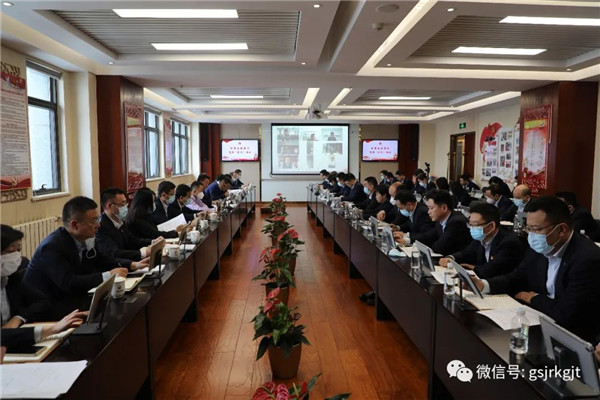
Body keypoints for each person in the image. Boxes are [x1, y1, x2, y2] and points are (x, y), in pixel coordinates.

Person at [469, 196, 600, 343]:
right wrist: (484, 285)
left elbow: (568, 313)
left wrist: (533, 298)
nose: (531, 235)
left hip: (572, 336)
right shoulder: (541, 248)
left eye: (536, 229)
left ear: (562, 229)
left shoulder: (587, 258)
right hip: (540, 320)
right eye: (528, 228)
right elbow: (518, 277)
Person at [24, 197, 130, 318]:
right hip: (49, 307)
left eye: (98, 219)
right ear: (74, 225)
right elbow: (68, 283)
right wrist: (107, 276)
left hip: (72, 299)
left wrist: (131, 265)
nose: (98, 225)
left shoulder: (84, 239)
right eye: (94, 221)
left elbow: (101, 260)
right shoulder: (52, 247)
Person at [439, 203, 525, 279]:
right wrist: (451, 258)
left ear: (491, 226)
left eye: (475, 224)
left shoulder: (508, 243)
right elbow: (467, 253)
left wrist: (471, 267)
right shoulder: (481, 238)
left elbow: (490, 270)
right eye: (470, 224)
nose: (472, 228)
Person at [96, 188, 152, 267]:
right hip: (117, 267)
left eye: (126, 203)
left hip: (129, 263)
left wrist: (152, 242)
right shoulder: (101, 227)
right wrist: (142, 253)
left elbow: (132, 240)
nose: (126, 207)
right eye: (122, 204)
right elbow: (114, 253)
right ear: (110, 205)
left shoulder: (120, 221)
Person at [410, 189, 470, 255]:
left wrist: (422, 249)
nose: (428, 212)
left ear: (444, 208)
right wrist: (409, 239)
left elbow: (440, 247)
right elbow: (428, 236)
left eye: (431, 208)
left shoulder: (456, 223)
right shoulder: (441, 219)